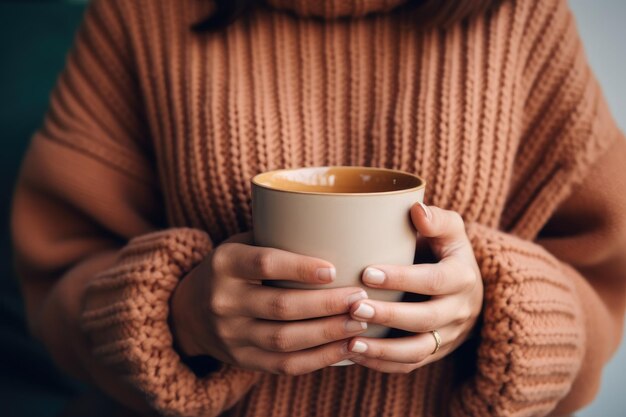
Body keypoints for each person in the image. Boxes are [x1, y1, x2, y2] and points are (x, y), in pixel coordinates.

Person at [10, 0, 626, 416]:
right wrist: (181, 318)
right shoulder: (139, 15)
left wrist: (489, 306)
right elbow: (57, 276)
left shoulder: (524, 17)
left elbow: (604, 283)